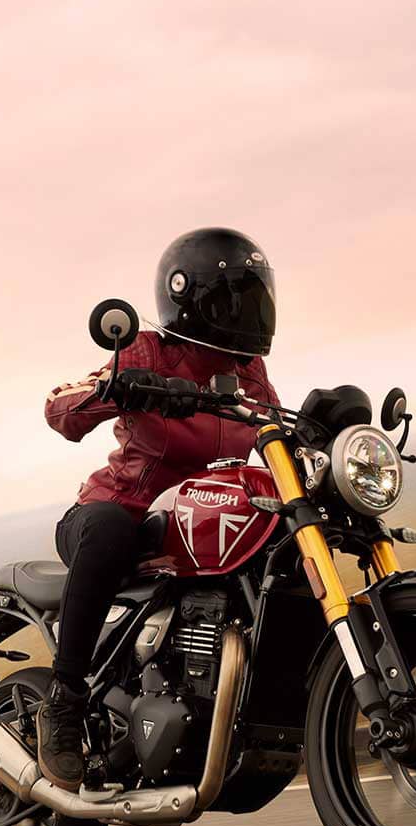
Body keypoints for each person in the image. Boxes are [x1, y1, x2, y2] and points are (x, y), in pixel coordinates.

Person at [36, 227, 281, 789]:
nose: (245, 312)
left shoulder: (248, 372)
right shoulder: (147, 348)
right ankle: (65, 702)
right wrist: (120, 386)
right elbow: (58, 408)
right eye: (231, 299)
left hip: (194, 523)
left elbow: (274, 434)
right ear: (189, 297)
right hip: (119, 513)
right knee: (106, 529)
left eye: (253, 298)